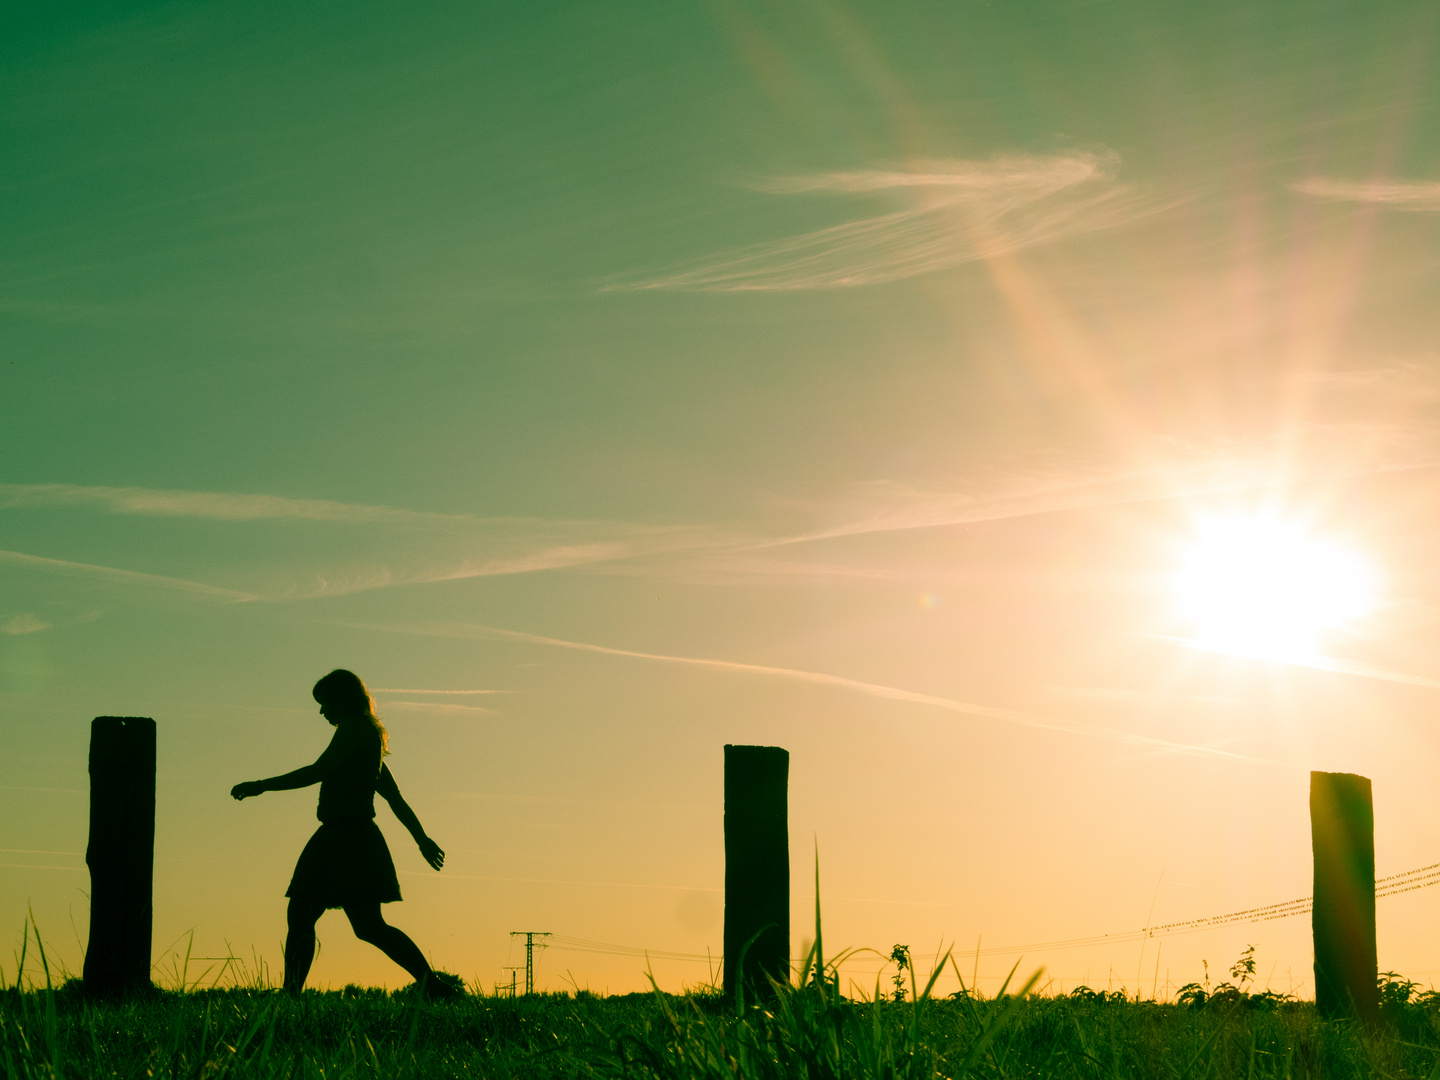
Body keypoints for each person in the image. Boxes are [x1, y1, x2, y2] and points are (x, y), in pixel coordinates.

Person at [231, 669, 461, 998]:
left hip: (347, 840)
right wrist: (421, 839)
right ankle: (431, 986)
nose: (322, 712)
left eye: (325, 703)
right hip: (343, 838)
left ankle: (431, 985)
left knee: (332, 920)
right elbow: (393, 797)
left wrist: (261, 786)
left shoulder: (354, 729)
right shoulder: (367, 734)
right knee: (336, 921)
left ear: (342, 699)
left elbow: (318, 771)